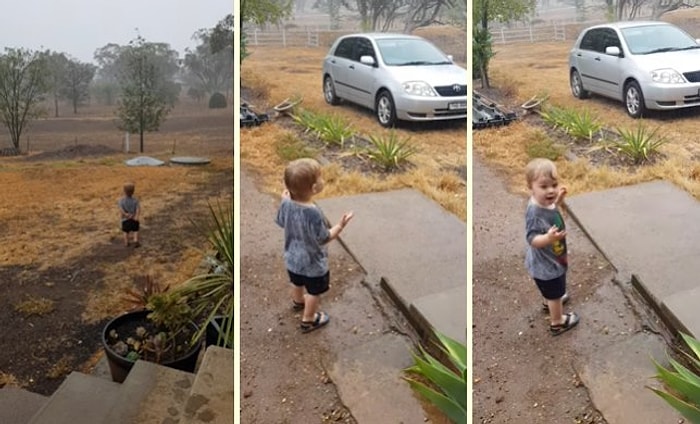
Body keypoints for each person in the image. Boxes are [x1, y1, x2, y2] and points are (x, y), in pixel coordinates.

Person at [275, 158, 354, 333]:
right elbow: (324, 238)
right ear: (313, 188)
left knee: (296, 282)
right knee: (313, 292)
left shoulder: (286, 203)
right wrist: (340, 226)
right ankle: (309, 319)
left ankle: (297, 302)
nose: (322, 180)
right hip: (312, 264)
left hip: (292, 259)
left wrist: (284, 201)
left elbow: (281, 222)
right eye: (320, 177)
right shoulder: (313, 213)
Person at [524, 158, 580, 336]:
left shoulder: (546, 202)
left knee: (554, 291)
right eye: (544, 186)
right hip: (547, 266)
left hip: (552, 259)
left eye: (554, 185)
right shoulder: (534, 212)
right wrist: (548, 238)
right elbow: (532, 239)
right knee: (555, 292)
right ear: (530, 187)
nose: (550, 190)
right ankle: (558, 322)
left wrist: (560, 199)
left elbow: (553, 206)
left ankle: (550, 300)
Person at [119, 182, 141, 248]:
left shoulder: (121, 200)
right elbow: (138, 209)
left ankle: (126, 241)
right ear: (133, 191)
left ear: (124, 191)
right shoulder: (135, 200)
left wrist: (126, 214)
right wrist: (136, 216)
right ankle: (135, 239)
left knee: (125, 231)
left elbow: (121, 209)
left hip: (125, 219)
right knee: (135, 230)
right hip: (134, 218)